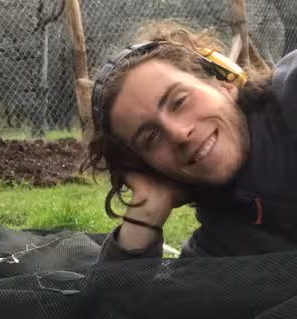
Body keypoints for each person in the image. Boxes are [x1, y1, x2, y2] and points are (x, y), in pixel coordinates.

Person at [85, 21, 297, 260]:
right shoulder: (213, 253)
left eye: (179, 102)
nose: (178, 133)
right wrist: (147, 208)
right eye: (151, 138)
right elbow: (115, 295)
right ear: (150, 169)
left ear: (224, 84)